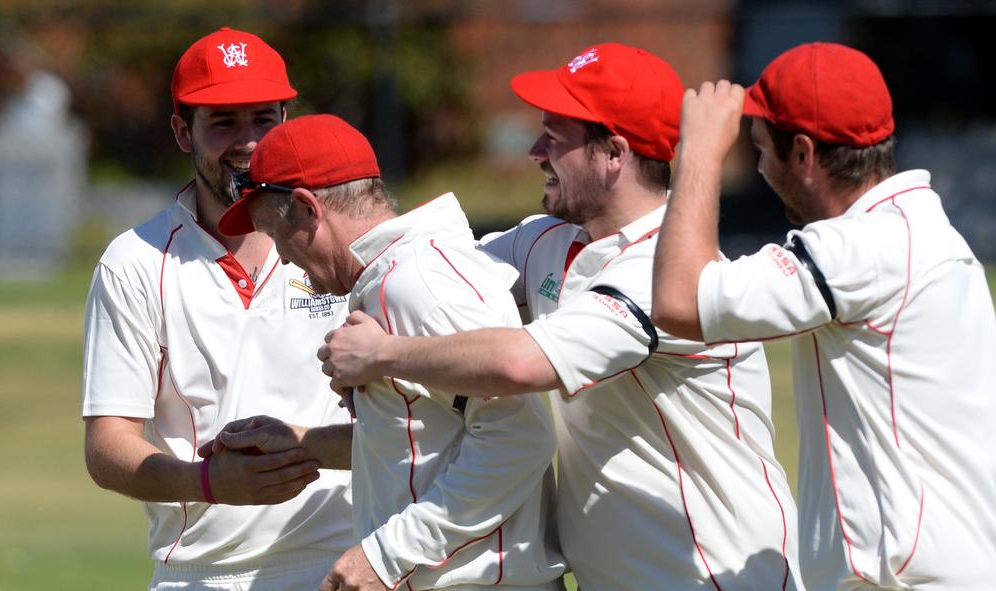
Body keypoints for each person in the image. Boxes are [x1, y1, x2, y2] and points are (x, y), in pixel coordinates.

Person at [318, 43, 804, 590]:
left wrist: (382, 354)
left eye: (555, 135)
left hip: (716, 577)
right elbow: (438, 277)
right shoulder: (549, 241)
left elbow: (519, 365)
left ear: (614, 153)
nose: (533, 150)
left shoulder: (659, 270)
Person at [651, 42, 996, 590]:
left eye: (762, 150)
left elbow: (677, 301)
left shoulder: (861, 249)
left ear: (806, 155)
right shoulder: (922, 234)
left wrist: (698, 155)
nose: (759, 166)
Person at [214, 113, 566, 591]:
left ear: (307, 208)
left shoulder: (415, 285)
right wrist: (304, 442)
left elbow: (519, 438)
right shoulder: (397, 277)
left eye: (275, 234)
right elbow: (435, 440)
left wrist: (386, 556)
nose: (282, 256)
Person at [81, 27, 355, 590]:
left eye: (263, 118)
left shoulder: (345, 240)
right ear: (183, 131)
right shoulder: (134, 260)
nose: (249, 141)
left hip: (348, 563)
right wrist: (208, 482)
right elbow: (108, 444)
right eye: (223, 122)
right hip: (202, 574)